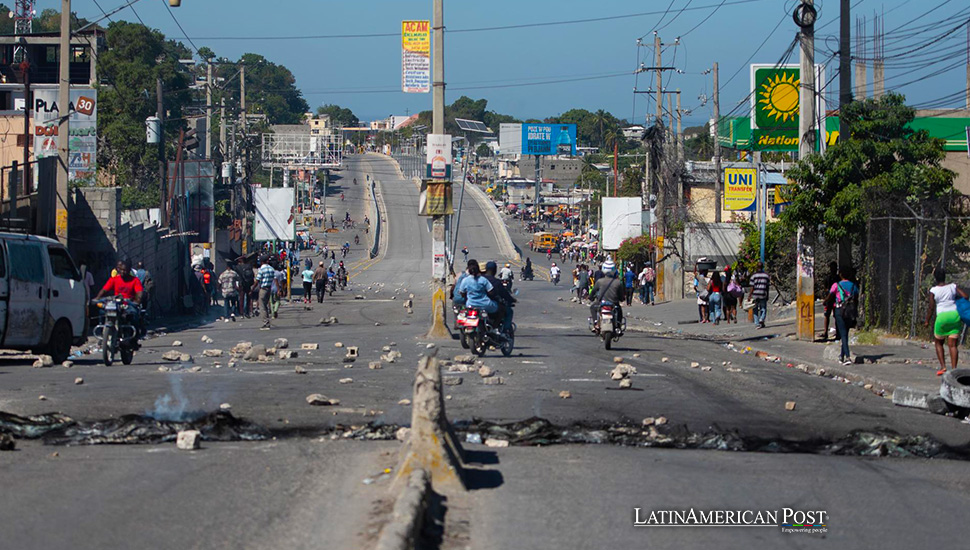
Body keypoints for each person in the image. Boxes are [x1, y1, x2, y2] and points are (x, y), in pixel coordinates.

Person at [926, 266, 968, 376]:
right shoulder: (953, 286)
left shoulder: (933, 290)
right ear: (945, 277)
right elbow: (966, 296)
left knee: (938, 342)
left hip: (942, 317)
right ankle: (954, 369)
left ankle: (943, 367)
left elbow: (931, 307)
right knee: (953, 345)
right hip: (954, 316)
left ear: (935, 278)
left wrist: (927, 321)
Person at [95, 259, 145, 340]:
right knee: (102, 311)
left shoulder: (135, 280)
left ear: (129, 270)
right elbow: (104, 289)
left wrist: (137, 300)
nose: (122, 272)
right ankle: (102, 332)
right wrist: (97, 298)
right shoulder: (114, 279)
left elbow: (139, 292)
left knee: (134, 313)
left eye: (125, 270)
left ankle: (135, 336)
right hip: (116, 303)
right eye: (121, 270)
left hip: (128, 304)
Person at [827, 266, 860, 366]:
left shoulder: (836, 285)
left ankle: (847, 357)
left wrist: (826, 302)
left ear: (840, 275)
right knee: (845, 333)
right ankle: (841, 356)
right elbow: (856, 297)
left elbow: (830, 295)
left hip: (839, 310)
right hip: (850, 311)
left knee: (843, 334)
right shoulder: (853, 286)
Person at [589, 260, 626, 329]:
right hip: (614, 303)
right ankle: (618, 326)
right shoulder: (618, 282)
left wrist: (590, 297)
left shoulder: (600, 281)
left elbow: (593, 291)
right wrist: (622, 299)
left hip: (601, 303)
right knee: (619, 311)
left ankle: (596, 322)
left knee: (592, 307)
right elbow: (621, 295)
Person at [483, 261, 516, 332]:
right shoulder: (496, 282)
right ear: (495, 270)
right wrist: (512, 300)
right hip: (489, 304)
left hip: (475, 304)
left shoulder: (479, 279)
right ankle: (504, 329)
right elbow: (504, 294)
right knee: (507, 311)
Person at [748, 262, 771, 329]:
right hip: (763, 293)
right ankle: (762, 319)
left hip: (755, 294)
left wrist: (750, 295)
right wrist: (767, 295)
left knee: (755, 309)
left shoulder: (753, 276)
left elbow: (752, 286)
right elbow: (767, 287)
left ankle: (757, 323)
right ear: (762, 267)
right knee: (763, 308)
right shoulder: (766, 276)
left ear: (756, 267)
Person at [822, 261, 840, 341]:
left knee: (834, 315)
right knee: (828, 315)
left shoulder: (837, 278)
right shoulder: (829, 278)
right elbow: (825, 288)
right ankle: (826, 332)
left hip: (834, 298)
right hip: (831, 299)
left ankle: (836, 332)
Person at [256, 256, 276, 329]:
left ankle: (265, 322)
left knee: (262, 306)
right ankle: (267, 320)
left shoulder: (261, 269)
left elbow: (258, 279)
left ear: (261, 262)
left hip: (263, 289)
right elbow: (274, 278)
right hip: (269, 288)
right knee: (266, 305)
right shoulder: (271, 269)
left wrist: (252, 289)